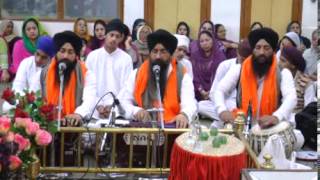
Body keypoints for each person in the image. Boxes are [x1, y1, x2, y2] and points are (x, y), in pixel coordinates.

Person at [214, 28, 297, 129]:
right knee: (216, 127)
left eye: (266, 48)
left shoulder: (283, 73)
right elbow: (219, 90)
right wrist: (222, 110)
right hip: (244, 123)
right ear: (253, 50)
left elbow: (291, 98)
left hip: (271, 124)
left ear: (273, 51)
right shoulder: (239, 69)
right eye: (258, 47)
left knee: (295, 135)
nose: (262, 52)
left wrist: (276, 117)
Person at [119, 29, 197, 128]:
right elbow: (123, 101)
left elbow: (189, 101)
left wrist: (184, 114)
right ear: (150, 53)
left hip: (172, 126)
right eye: (155, 51)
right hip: (143, 128)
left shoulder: (182, 75)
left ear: (170, 54)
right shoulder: (137, 74)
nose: (158, 56)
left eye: (163, 51)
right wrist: (136, 110)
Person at [41, 31, 97, 126]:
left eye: (70, 52)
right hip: (48, 126)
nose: (65, 56)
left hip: (75, 127)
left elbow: (90, 99)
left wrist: (78, 114)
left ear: (76, 55)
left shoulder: (87, 74)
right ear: (56, 52)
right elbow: (37, 97)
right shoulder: (44, 73)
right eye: (62, 51)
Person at [85, 20, 133, 118]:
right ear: (105, 36)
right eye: (111, 35)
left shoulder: (126, 59)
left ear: (121, 39)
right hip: (95, 104)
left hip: (118, 105)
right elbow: (88, 86)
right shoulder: (92, 56)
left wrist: (113, 105)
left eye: (117, 36)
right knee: (87, 115)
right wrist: (98, 105)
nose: (114, 39)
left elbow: (127, 87)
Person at [207, 39, 252, 128]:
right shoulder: (226, 65)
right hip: (224, 103)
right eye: (243, 59)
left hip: (245, 109)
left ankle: (222, 122)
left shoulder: (254, 68)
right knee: (200, 106)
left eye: (248, 60)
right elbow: (215, 92)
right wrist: (222, 109)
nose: (245, 63)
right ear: (237, 53)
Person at [190, 31, 226, 105]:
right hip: (199, 93)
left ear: (212, 40)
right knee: (198, 106)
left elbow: (222, 76)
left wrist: (211, 91)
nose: (205, 43)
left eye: (207, 40)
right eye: (201, 41)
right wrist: (202, 91)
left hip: (216, 91)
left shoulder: (220, 56)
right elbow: (194, 76)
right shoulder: (195, 56)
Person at [279, 47, 316, 114]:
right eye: (280, 60)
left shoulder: (306, 83)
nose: (279, 63)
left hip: (297, 121)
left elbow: (309, 111)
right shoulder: (279, 78)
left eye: (283, 61)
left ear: (293, 65)